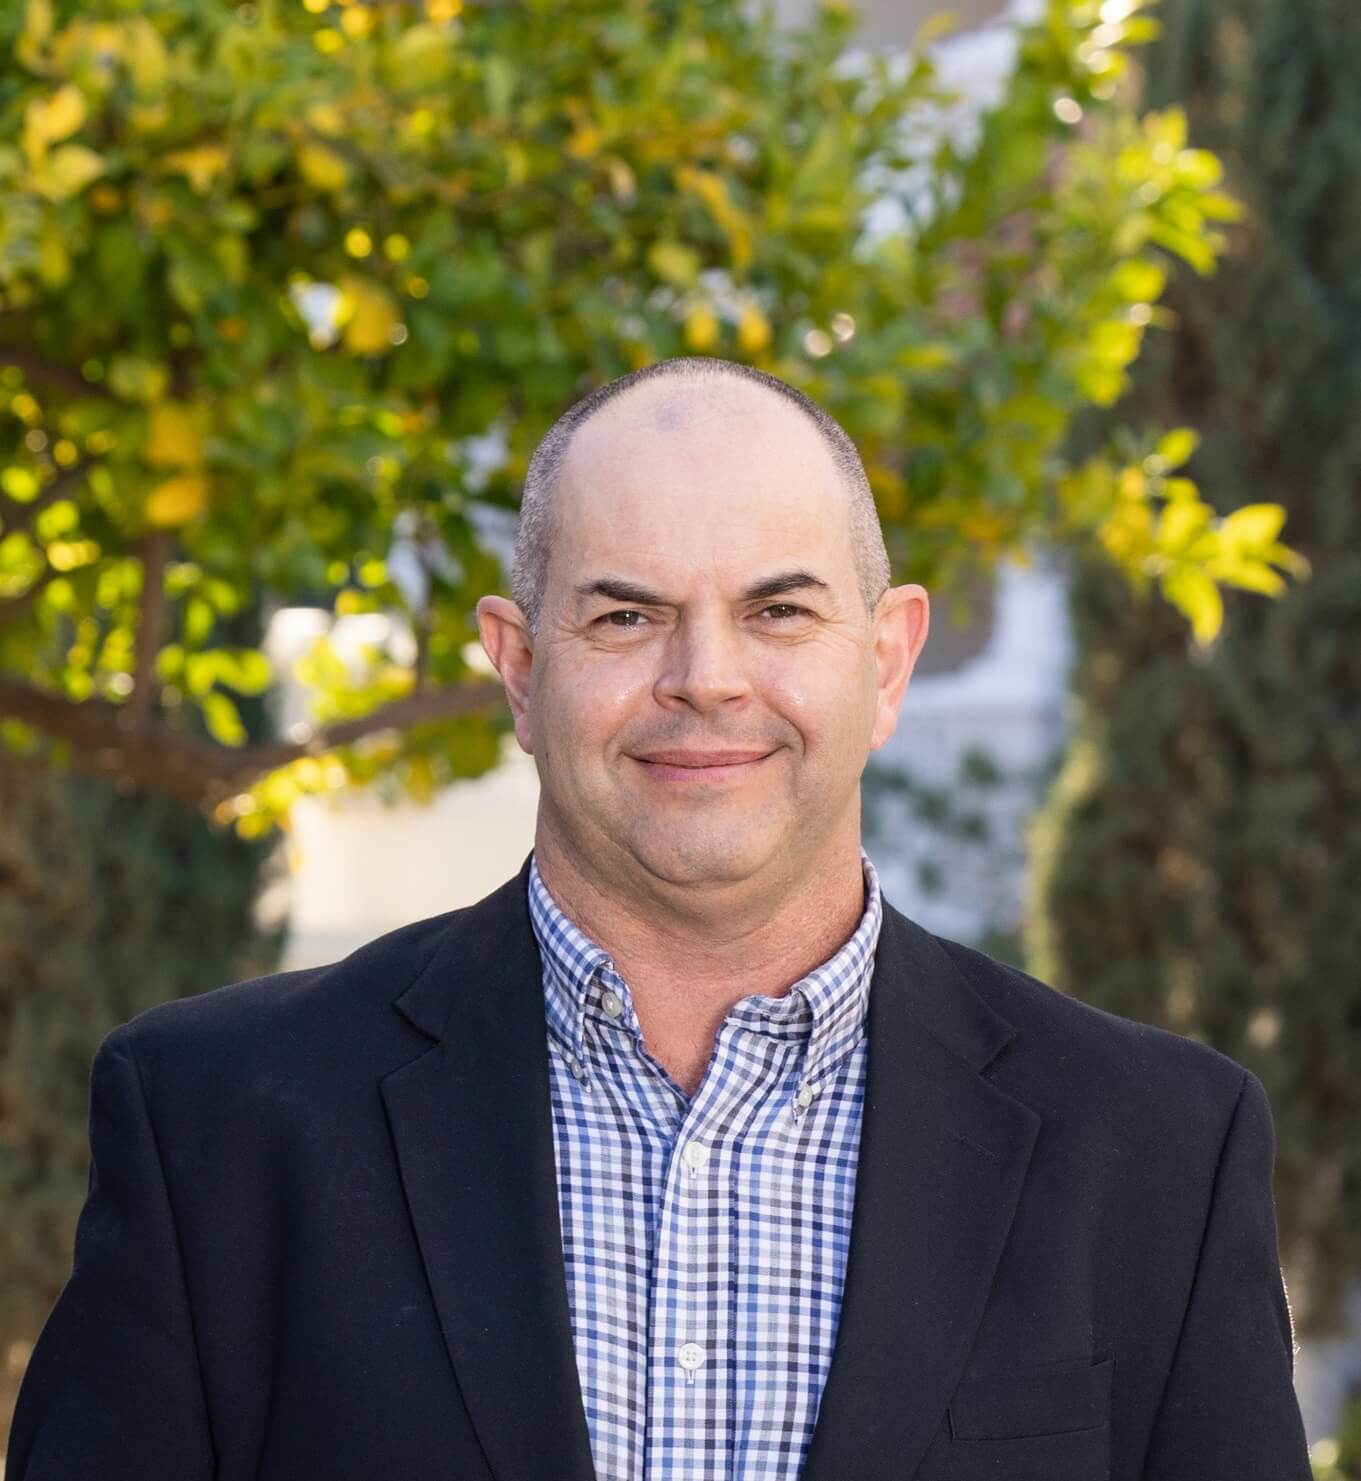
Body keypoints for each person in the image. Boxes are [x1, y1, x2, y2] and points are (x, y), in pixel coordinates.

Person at [7, 357, 1310, 1481]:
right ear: (521, 668)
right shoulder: (218, 1124)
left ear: (886, 660)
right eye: (626, 616)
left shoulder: (1158, 1151)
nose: (705, 679)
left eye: (778, 610)